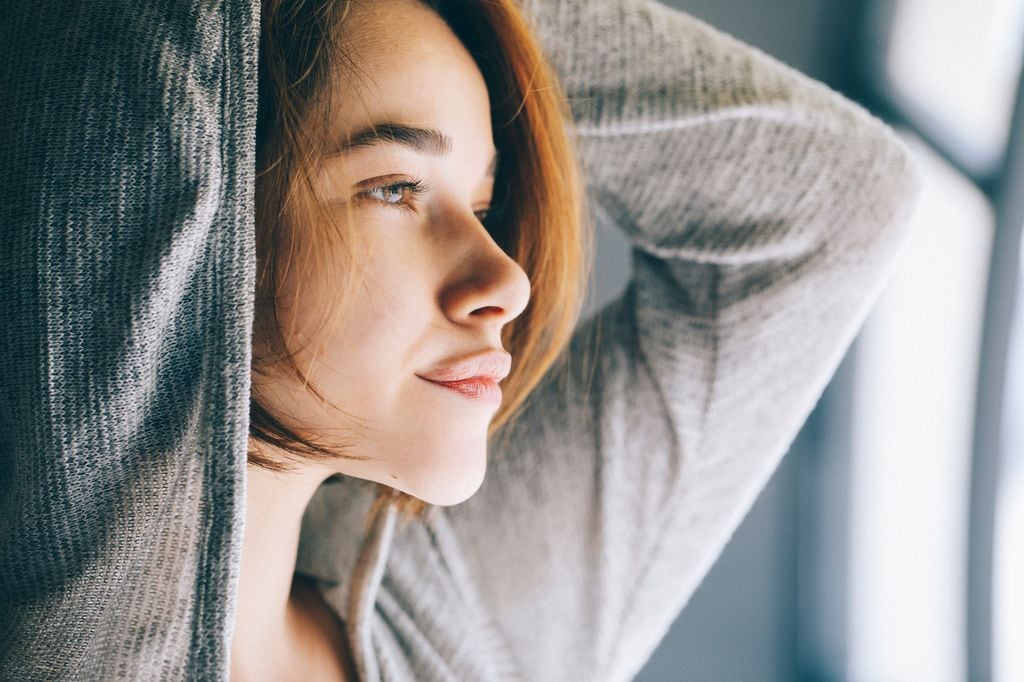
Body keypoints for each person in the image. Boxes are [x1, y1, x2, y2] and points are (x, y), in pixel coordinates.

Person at [0, 0, 921, 679]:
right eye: (395, 188)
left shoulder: (464, 630)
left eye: (481, 203)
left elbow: (829, 200)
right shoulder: (70, 640)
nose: (506, 282)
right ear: (197, 192)